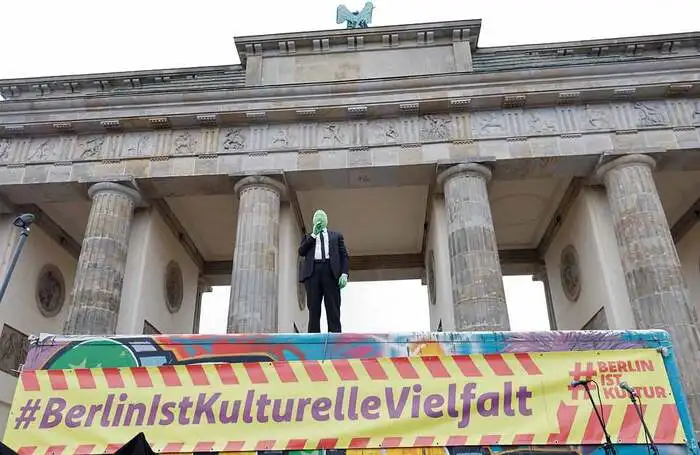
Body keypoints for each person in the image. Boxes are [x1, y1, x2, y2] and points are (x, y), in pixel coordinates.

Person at [298, 209, 349, 333]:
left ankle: (335, 336)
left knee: (333, 307)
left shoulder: (336, 236)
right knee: (314, 309)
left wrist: (344, 274)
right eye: (317, 217)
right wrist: (314, 235)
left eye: (322, 217)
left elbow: (344, 256)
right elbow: (301, 251)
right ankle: (314, 338)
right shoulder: (308, 237)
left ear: (326, 220)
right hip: (313, 273)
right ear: (314, 221)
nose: (319, 219)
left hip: (330, 272)